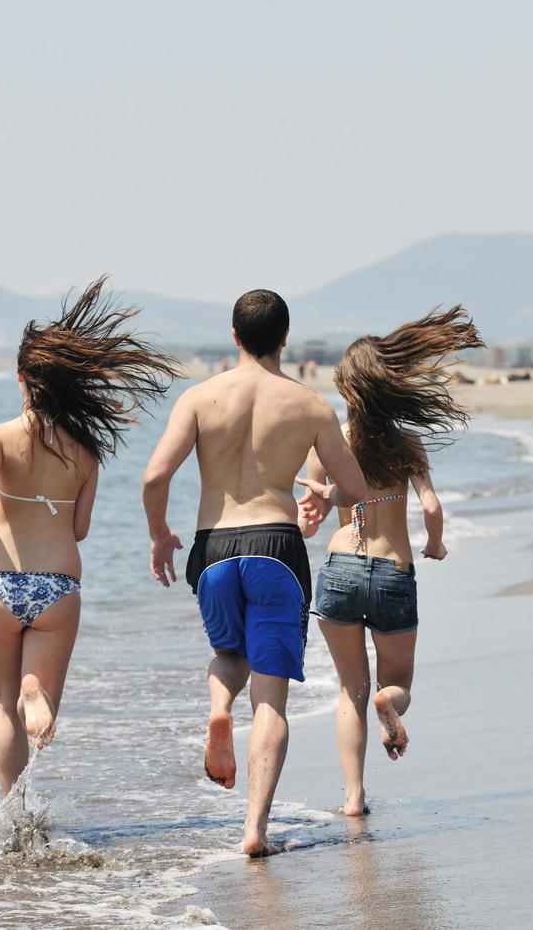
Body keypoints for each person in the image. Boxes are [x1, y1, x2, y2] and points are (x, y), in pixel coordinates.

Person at [141, 289, 368, 856]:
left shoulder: (198, 398)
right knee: (271, 700)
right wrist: (322, 493)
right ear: (285, 338)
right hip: (276, 546)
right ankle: (254, 831)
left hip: (214, 547)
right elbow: (358, 491)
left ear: (235, 337)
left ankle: (219, 709)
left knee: (228, 654)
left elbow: (153, 478)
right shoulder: (310, 405)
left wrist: (159, 533)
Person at [0, 277, 180, 793]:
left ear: (22, 380)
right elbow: (79, 530)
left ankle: (14, 816)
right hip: (56, 587)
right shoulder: (86, 451)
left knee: (3, 707)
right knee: (35, 697)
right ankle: (39, 693)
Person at [297, 307, 484, 816]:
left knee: (348, 691)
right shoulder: (407, 443)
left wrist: (312, 513)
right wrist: (436, 544)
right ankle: (390, 706)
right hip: (393, 572)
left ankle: (354, 798)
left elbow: (311, 522)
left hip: (340, 570)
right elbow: (430, 506)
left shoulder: (330, 441)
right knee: (394, 683)